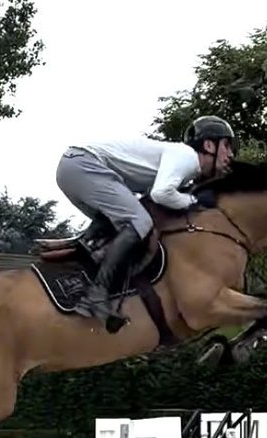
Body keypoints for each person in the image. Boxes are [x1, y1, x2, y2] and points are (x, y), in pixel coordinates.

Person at [54, 115, 237, 314]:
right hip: (85, 164)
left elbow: (152, 196)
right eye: (227, 145)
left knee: (122, 223)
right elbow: (161, 194)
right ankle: (96, 294)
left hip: (71, 168)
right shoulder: (188, 158)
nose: (230, 154)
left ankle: (83, 262)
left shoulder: (181, 165)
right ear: (209, 145)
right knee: (139, 221)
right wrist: (194, 202)